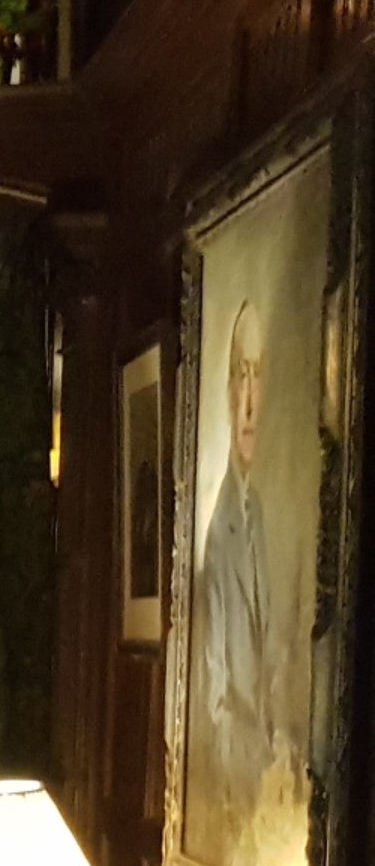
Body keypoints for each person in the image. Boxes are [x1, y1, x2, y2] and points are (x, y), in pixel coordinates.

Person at [190, 300, 276, 837]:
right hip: (238, 785)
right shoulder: (217, 530)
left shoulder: (263, 512)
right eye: (238, 378)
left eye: (258, 377)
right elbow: (218, 696)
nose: (248, 403)